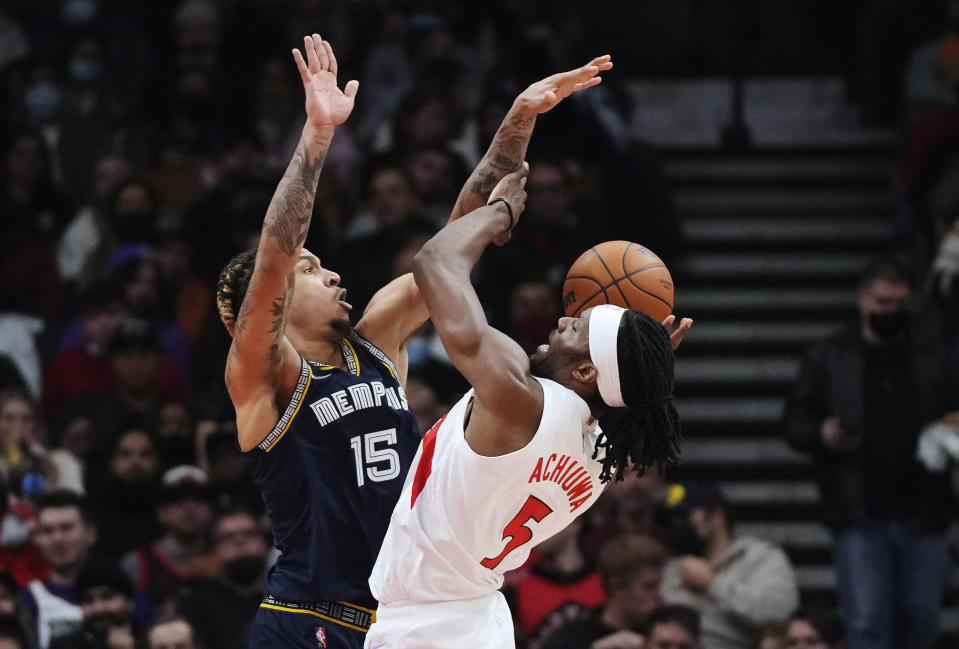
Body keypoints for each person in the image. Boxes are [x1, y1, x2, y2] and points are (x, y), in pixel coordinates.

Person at [214, 35, 621, 649]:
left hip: (404, 620)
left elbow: (456, 237)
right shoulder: (264, 376)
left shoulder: (375, 338)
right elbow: (273, 255)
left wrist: (517, 122)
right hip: (308, 620)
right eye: (311, 270)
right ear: (270, 305)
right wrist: (319, 135)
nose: (330, 274)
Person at [366, 105, 690, 649]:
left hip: (431, 626)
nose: (564, 319)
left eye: (577, 328)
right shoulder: (598, 455)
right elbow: (634, 398)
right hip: (475, 620)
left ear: (587, 369)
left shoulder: (521, 400)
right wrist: (646, 361)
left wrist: (498, 217)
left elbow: (433, 263)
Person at [784, 257, 959, 649]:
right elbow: (795, 420)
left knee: (921, 618)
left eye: (898, 305)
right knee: (866, 622)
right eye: (882, 304)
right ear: (861, 299)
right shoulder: (829, 357)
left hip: (924, 508)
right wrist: (822, 433)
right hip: (858, 509)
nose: (890, 313)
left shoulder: (935, 357)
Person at [660, 482, 798, 649]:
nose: (678, 524)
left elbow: (779, 612)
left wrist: (713, 583)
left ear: (717, 516)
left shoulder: (760, 558)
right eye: (673, 518)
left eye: (685, 515)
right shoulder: (671, 567)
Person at [540, 534, 668, 649]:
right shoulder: (571, 638)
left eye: (659, 585)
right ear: (616, 587)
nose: (659, 596)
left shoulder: (665, 636)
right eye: (649, 587)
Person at [120, 466, 214, 607]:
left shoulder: (226, 557)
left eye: (198, 500)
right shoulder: (137, 564)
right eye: (178, 501)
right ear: (161, 512)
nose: (189, 509)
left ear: (211, 510)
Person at [48, 562, 141, 649]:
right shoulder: (63, 645)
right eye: (88, 600)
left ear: (129, 602)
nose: (98, 608)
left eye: (107, 597)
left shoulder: (149, 639)